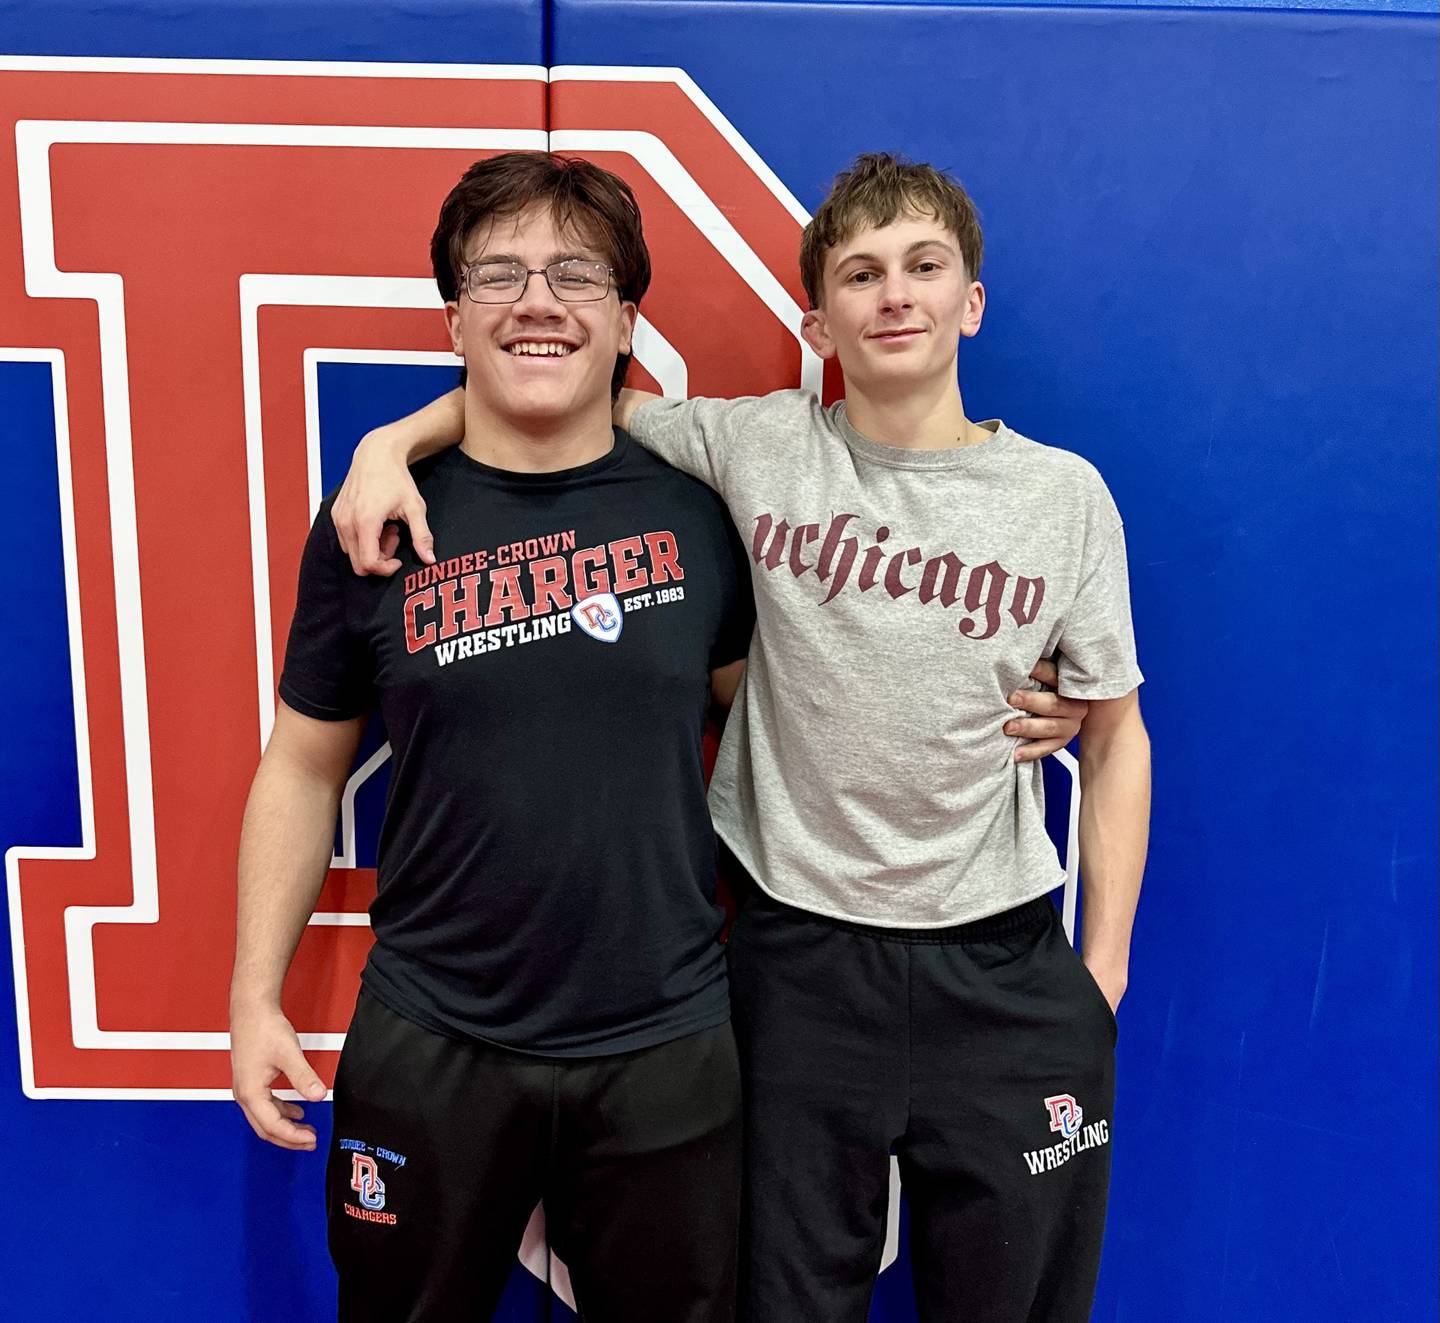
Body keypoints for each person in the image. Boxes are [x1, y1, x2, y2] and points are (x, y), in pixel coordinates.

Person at [333, 152, 1145, 1322]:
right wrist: (393, 442)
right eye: (861, 275)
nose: (896, 296)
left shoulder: (1065, 497)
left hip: (1007, 968)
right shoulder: (758, 447)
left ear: (972, 300)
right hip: (798, 964)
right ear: (817, 320)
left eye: (925, 268)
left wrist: (1102, 970)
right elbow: (553, 387)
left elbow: (1120, 737)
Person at [229, 151, 762, 1323]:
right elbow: (304, 766)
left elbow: (790, 718)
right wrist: (254, 995)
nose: (537, 300)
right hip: (434, 1039)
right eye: (500, 274)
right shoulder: (374, 521)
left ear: (626, 318)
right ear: (455, 314)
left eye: (576, 272)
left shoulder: (698, 520)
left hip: (664, 1043)